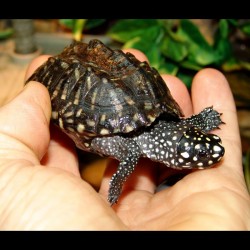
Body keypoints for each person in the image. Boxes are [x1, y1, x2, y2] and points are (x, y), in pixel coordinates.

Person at [0, 49, 249, 230]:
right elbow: (134, 150)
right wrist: (118, 184)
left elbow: (172, 124)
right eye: (202, 155)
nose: (212, 157)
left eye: (205, 153)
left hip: (141, 105)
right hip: (72, 85)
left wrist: (197, 122)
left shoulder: (168, 128)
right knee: (130, 151)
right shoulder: (131, 146)